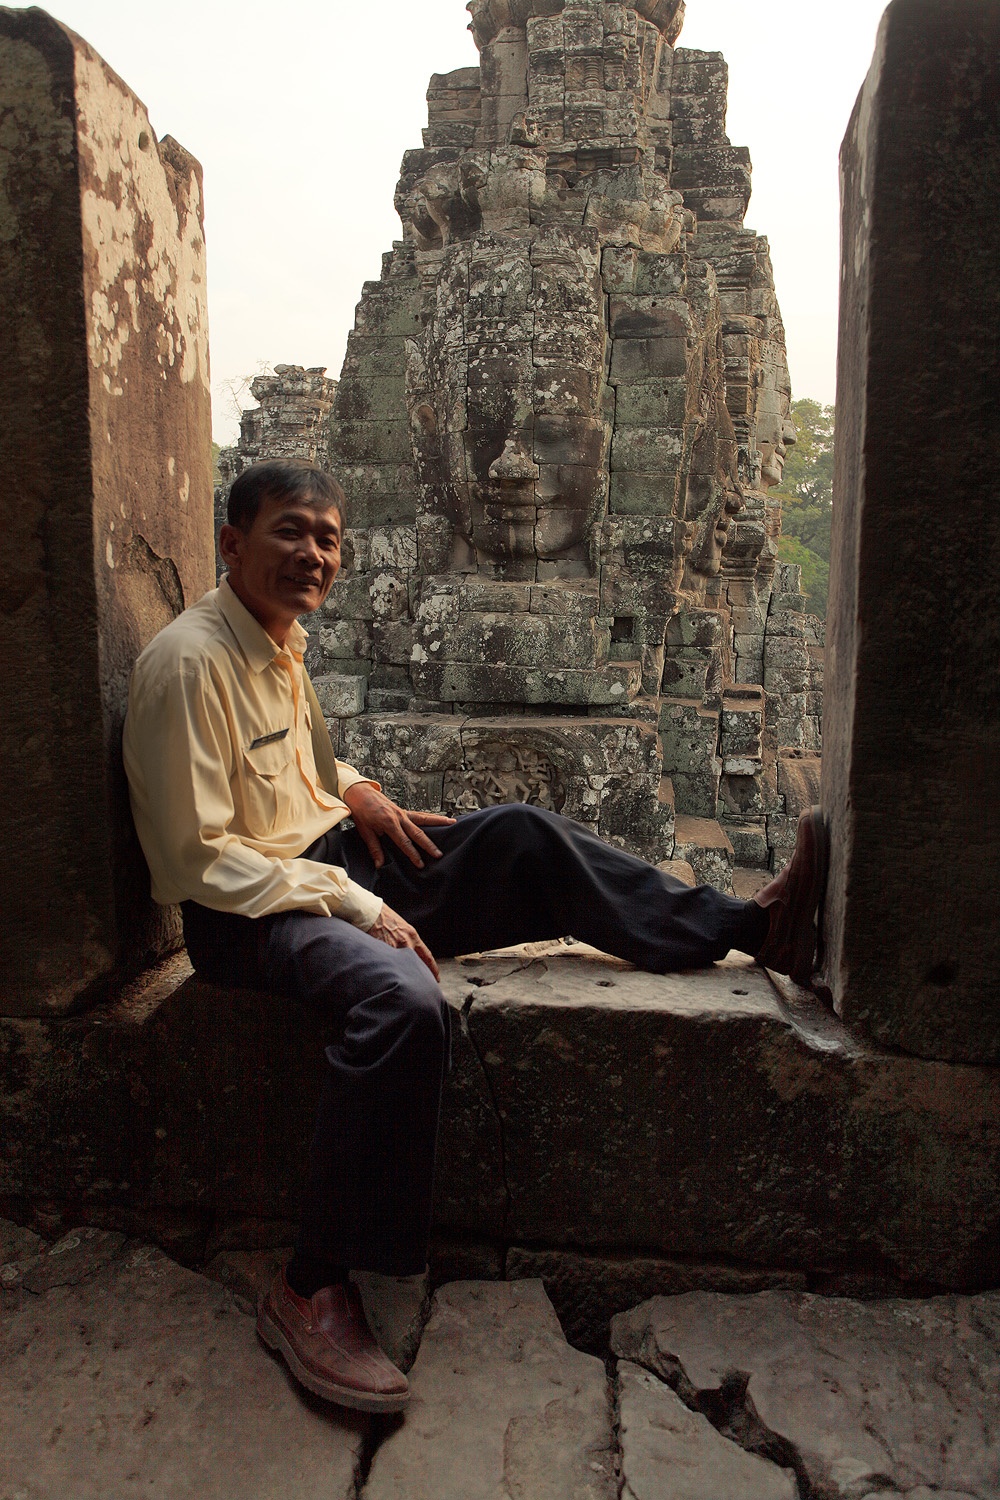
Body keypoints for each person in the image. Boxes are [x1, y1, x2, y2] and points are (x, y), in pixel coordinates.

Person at [123, 459, 828, 1414]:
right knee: (399, 1000)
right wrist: (361, 905)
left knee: (520, 836)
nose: (314, 555)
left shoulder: (278, 643)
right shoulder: (187, 662)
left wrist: (356, 788)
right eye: (292, 532)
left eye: (329, 539)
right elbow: (197, 858)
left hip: (329, 856)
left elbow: (308, 770)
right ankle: (312, 1284)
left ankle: (751, 929)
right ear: (232, 542)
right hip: (252, 912)